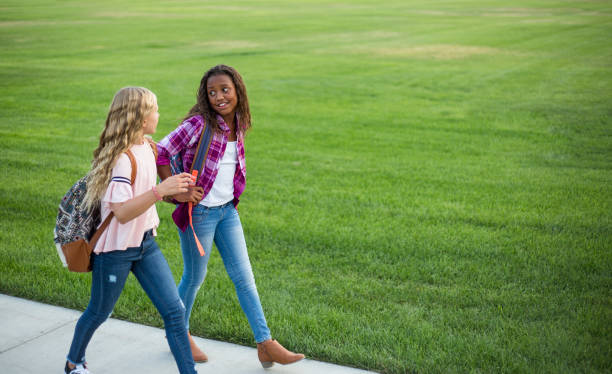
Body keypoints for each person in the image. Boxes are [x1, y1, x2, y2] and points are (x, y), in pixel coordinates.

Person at [156, 64, 305, 368]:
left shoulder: (239, 121)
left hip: (227, 212)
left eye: (225, 90)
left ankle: (265, 343)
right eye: (212, 92)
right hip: (200, 214)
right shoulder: (199, 123)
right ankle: (178, 335)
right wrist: (178, 192)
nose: (219, 97)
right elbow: (161, 151)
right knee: (195, 276)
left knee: (245, 278)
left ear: (238, 90)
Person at [63, 87, 198, 374]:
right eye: (155, 109)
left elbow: (151, 189)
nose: (159, 114)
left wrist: (177, 192)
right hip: (115, 252)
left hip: (146, 245)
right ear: (140, 117)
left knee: (175, 311)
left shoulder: (148, 146)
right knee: (99, 311)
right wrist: (160, 191)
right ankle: (73, 363)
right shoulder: (122, 159)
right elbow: (122, 212)